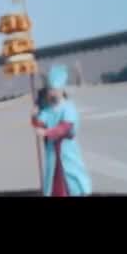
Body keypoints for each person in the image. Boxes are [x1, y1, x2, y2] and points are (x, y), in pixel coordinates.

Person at [30, 65, 91, 197]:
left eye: (54, 90)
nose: (51, 93)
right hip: (52, 152)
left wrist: (47, 133)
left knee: (72, 178)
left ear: (61, 90)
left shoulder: (68, 107)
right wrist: (34, 116)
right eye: (49, 90)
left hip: (67, 150)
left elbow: (65, 127)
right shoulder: (47, 109)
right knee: (53, 180)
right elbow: (39, 123)